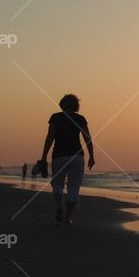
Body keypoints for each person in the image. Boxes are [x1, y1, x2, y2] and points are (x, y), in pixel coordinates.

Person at [41, 94, 94, 224]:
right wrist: (92, 156)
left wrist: (43, 156)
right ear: (76, 106)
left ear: (62, 104)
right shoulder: (80, 118)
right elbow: (87, 138)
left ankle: (59, 207)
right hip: (77, 156)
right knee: (74, 187)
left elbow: (50, 137)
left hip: (58, 155)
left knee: (57, 185)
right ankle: (68, 217)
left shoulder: (55, 117)